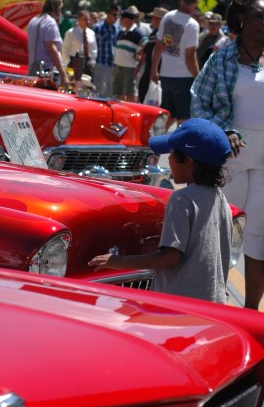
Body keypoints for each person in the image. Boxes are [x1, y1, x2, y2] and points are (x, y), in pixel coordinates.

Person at [190, 0, 264, 311]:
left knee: (260, 238)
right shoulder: (221, 58)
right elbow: (199, 102)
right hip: (229, 160)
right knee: (221, 234)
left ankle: (251, 312)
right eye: (259, 17)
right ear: (241, 21)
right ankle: (216, 305)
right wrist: (223, 131)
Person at [88, 118, 233, 304]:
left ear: (188, 160)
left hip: (178, 308)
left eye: (172, 154)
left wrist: (117, 261)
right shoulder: (219, 198)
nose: (169, 160)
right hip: (213, 305)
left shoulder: (181, 199)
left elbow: (169, 259)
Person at [151, 0, 200, 128]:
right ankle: (180, 148)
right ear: (196, 3)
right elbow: (190, 56)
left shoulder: (168, 17)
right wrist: (198, 77)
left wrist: (154, 69)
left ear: (181, 0)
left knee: (167, 114)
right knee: (184, 116)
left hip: (166, 74)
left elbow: (159, 45)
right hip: (184, 77)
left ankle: (156, 142)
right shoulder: (192, 24)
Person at [27, 0, 69, 88]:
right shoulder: (50, 22)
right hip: (46, 72)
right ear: (57, 7)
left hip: (33, 69)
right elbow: (52, 49)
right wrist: (63, 74)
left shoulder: (34, 20)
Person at [113, 7, 146, 102]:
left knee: (130, 93)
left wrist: (139, 62)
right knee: (118, 91)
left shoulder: (137, 32)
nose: (121, 21)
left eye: (123, 19)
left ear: (128, 20)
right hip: (118, 66)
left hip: (130, 67)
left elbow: (146, 45)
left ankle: (131, 112)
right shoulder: (121, 32)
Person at [137, 7, 168, 103]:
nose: (151, 20)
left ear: (159, 20)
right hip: (148, 71)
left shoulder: (165, 35)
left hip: (157, 74)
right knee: (144, 95)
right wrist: (139, 65)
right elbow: (147, 52)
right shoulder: (153, 33)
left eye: (153, 18)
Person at [61, 10, 97, 88]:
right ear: (79, 19)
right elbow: (65, 48)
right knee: (74, 86)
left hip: (88, 64)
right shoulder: (71, 32)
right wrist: (68, 62)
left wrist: (92, 61)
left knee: (87, 86)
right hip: (74, 63)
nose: (87, 21)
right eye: (85, 19)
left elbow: (94, 49)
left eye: (88, 19)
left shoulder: (91, 33)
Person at [93, 4, 121, 97]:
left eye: (117, 15)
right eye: (114, 15)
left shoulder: (115, 28)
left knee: (110, 92)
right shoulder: (98, 27)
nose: (116, 18)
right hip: (100, 63)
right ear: (108, 14)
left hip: (111, 64)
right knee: (98, 90)